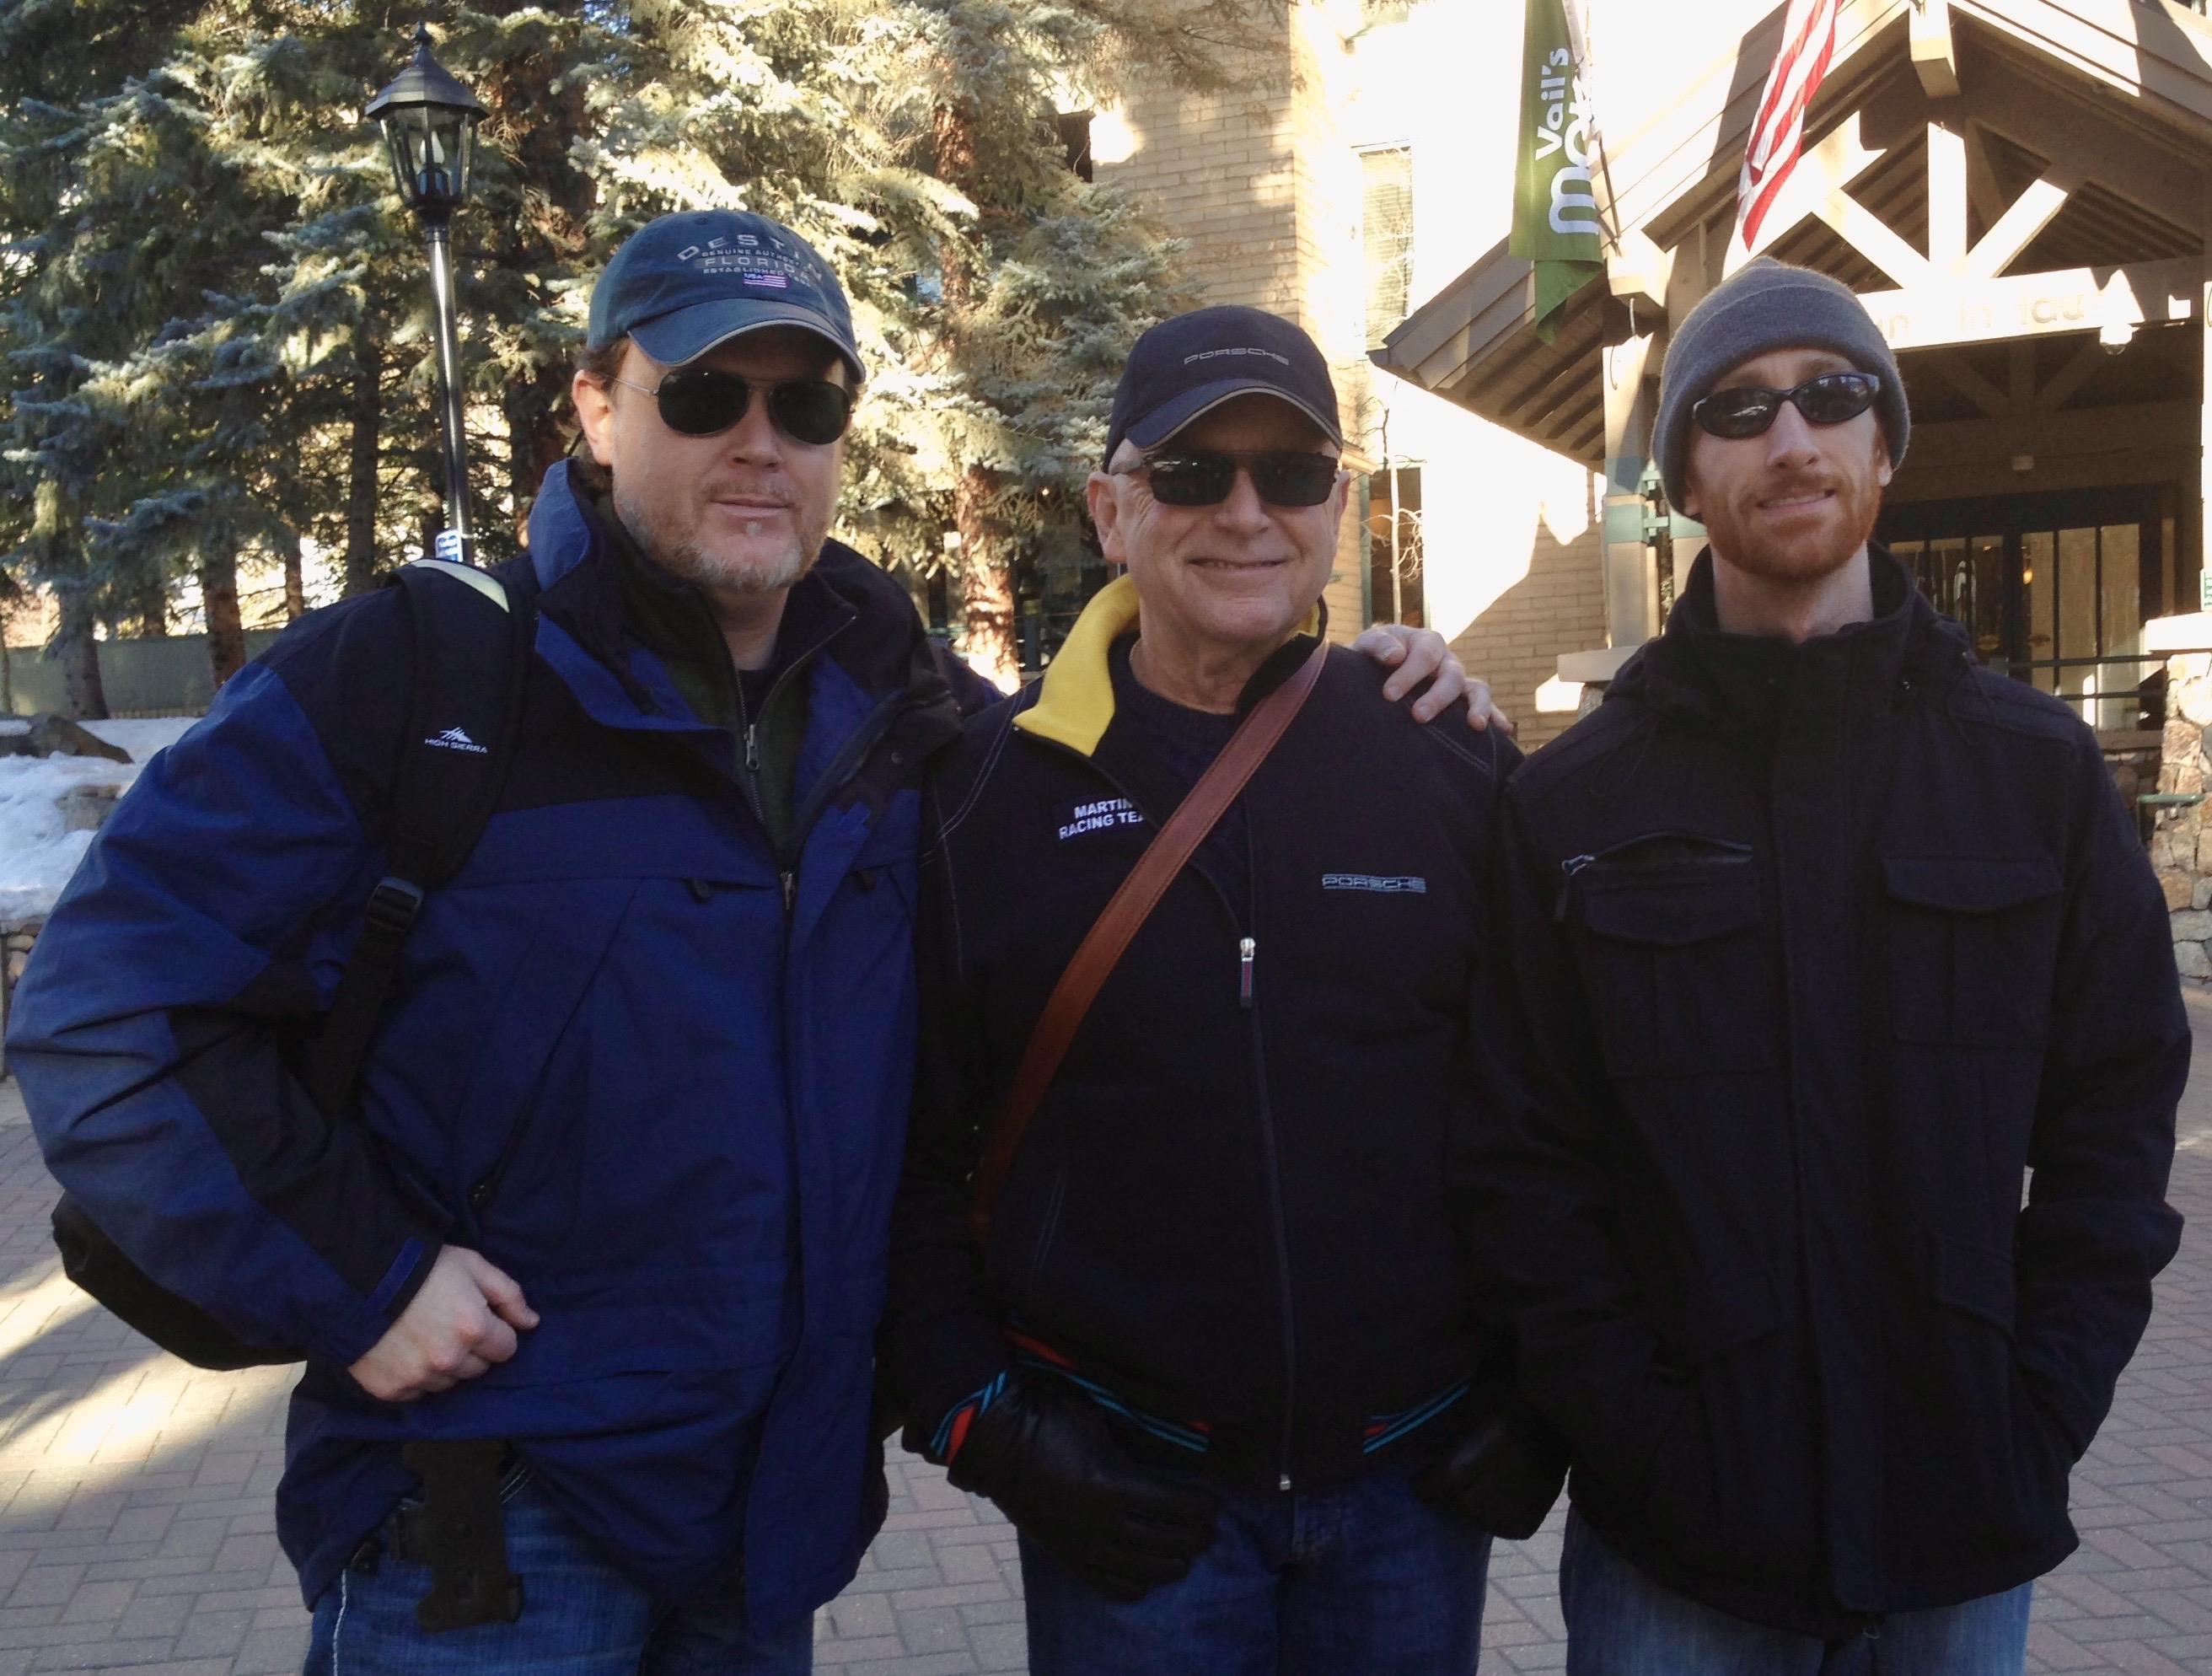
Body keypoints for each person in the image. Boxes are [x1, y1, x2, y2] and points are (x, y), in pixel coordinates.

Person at [5, 214, 1502, 1674]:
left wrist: (1374, 685)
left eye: (809, 400)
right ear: (598, 404)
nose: (761, 439)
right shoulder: (418, 673)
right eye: (706, 392)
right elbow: (107, 1015)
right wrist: (362, 1278)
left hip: (755, 1536)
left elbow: (1099, 811)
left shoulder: (903, 714)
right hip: (491, 1523)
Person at [1474, 257, 2189, 1675]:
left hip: (1959, 1519)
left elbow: (2113, 1127)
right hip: (1680, 1541)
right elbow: (1521, 1164)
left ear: (1884, 447)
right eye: (1737, 411)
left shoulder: (2034, 778)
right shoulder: (1574, 806)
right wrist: (1640, 1435)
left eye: (1831, 396)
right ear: (1683, 476)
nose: (1789, 436)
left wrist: (2036, 1410)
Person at [883, 304, 1549, 1676]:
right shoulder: (988, 795)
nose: (1246, 512)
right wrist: (991, 1428)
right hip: (1130, 1503)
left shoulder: (1450, 763)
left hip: (1410, 1500)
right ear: (1111, 510)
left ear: (1340, 507)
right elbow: (908, 1155)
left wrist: (1544, 1392)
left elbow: (1555, 1112)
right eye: (1193, 473)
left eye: (1291, 474)